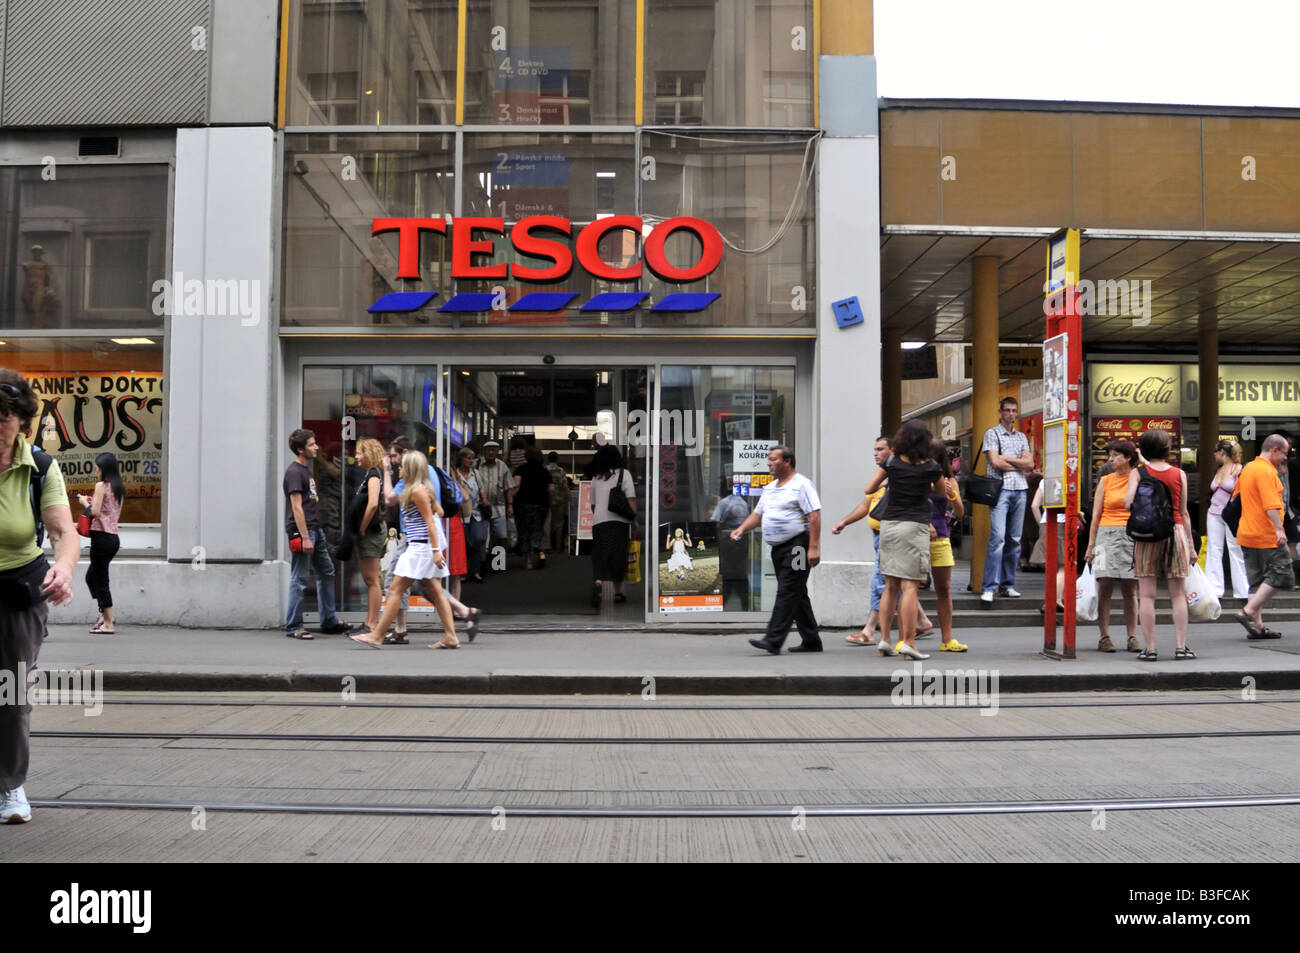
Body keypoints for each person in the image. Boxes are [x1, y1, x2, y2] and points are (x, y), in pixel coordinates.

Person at [1, 369, 79, 823]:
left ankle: (10, 787)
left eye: (3, 418)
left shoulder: (41, 467)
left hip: (17, 592)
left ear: (22, 423)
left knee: (10, 695)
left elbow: (64, 533)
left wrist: (64, 570)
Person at [352, 452, 461, 649]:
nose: (398, 469)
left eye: (401, 466)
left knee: (395, 589)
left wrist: (436, 550)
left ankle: (377, 635)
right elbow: (440, 513)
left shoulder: (417, 492)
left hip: (420, 548)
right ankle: (450, 636)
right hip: (422, 547)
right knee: (435, 591)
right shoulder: (421, 489)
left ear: (409, 469)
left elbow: (430, 522)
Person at [378, 440, 481, 643]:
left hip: (416, 538)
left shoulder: (412, 479)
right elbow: (439, 511)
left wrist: (386, 472)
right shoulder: (429, 472)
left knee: (394, 584)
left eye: (395, 456)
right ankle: (463, 615)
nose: (394, 462)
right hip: (425, 539)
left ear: (406, 455)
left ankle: (393, 631)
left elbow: (389, 498)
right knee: (429, 586)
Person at [832, 435, 931, 647]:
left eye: (880, 449)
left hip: (894, 537)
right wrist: (844, 522)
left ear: (893, 451)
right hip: (882, 537)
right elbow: (866, 505)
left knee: (883, 584)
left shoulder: (900, 476)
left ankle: (871, 631)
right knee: (900, 584)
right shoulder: (884, 478)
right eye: (874, 449)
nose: (875, 453)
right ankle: (921, 622)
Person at [858, 421, 940, 660]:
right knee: (910, 586)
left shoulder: (891, 463)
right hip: (914, 526)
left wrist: (890, 481)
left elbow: (869, 488)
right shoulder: (931, 467)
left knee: (890, 586)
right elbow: (939, 492)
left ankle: (884, 640)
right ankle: (909, 642)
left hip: (889, 526)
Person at [731, 446, 822, 654]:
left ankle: (773, 639)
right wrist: (742, 528)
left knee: (788, 589)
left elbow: (814, 516)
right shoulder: (770, 488)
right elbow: (758, 514)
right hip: (778, 548)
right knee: (797, 593)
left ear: (787, 462)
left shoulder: (802, 485)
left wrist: (813, 547)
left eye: (773, 459)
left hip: (798, 545)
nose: (769, 463)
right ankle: (811, 640)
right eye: (768, 460)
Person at [1126, 429, 1195, 661]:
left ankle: (1151, 648)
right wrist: (1192, 546)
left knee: (1146, 595)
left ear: (1143, 449)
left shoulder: (1138, 473)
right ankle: (1181, 647)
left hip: (1147, 535)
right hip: (1175, 533)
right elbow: (1184, 512)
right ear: (1167, 449)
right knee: (1178, 595)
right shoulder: (1179, 474)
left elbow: (1127, 503)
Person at [284, 428, 350, 639]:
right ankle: (294, 626)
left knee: (327, 572)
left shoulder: (307, 469)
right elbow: (296, 507)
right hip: (304, 531)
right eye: (312, 445)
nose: (317, 447)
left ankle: (329, 620)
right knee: (300, 578)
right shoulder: (294, 472)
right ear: (300, 449)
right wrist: (304, 536)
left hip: (316, 529)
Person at [1232, 433, 1294, 641]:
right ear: (1275, 450)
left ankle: (1257, 627)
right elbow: (1271, 505)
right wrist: (1279, 529)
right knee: (1282, 573)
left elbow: (1236, 499)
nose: (1286, 457)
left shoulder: (1248, 468)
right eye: (1285, 453)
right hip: (1267, 534)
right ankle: (1247, 612)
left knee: (1256, 581)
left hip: (1247, 533)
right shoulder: (1267, 472)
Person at [1084, 440, 1140, 652]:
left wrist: (1139, 457)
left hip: (1131, 534)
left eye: (1116, 455)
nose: (1110, 459)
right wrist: (1091, 545)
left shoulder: (1139, 477)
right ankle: (1104, 636)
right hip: (1106, 534)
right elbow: (1096, 515)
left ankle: (1132, 636)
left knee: (1130, 588)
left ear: (1128, 457)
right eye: (1110, 455)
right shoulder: (1106, 481)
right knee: (1104, 586)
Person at [979, 397, 1034, 605]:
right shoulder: (992, 433)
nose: (1011, 414)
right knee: (998, 538)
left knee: (1014, 539)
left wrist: (1007, 459)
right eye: (1007, 411)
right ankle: (989, 587)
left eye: (1014, 411)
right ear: (1000, 411)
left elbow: (1030, 464)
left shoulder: (1021, 436)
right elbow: (994, 462)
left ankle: (1008, 584)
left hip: (1020, 489)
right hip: (1000, 489)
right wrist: (1018, 463)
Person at [77, 452, 124, 634]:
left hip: (102, 537)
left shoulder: (101, 485)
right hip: (113, 538)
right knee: (92, 577)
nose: (95, 471)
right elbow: (106, 509)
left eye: (97, 468)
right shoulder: (118, 487)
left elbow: (95, 512)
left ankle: (108, 623)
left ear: (103, 469)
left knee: (100, 580)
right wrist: (93, 501)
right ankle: (105, 614)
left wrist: (83, 502)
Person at [926, 439, 967, 651]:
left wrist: (953, 495)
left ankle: (947, 639)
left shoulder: (949, 479)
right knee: (910, 587)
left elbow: (960, 511)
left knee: (944, 588)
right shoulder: (918, 475)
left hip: (941, 536)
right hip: (919, 534)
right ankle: (908, 638)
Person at [588, 444, 637, 608]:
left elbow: (593, 505)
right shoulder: (625, 474)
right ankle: (618, 593)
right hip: (619, 523)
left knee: (600, 555)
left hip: (599, 522)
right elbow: (631, 500)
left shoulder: (596, 477)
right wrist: (634, 519)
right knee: (617, 557)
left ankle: (598, 581)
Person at [1206, 438, 1249, 601]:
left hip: (1231, 514)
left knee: (1235, 549)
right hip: (1214, 512)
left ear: (1221, 452)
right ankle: (1215, 588)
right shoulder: (1219, 469)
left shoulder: (1239, 470)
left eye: (1215, 453)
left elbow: (1240, 494)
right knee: (1214, 548)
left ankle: (1242, 590)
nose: (1214, 456)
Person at [353, 439, 387, 634]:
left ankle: (372, 624)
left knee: (372, 579)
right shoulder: (372, 474)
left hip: (372, 532)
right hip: (372, 531)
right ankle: (369, 621)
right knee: (370, 579)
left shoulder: (373, 475)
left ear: (369, 454)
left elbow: (372, 504)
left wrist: (362, 528)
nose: (356, 457)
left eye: (360, 453)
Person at [712, 478, 751, 610]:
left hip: (728, 541)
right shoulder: (742, 502)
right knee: (740, 572)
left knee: (727, 573)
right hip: (742, 541)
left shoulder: (724, 503)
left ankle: (721, 606)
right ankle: (745, 605)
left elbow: (715, 521)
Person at [477, 441, 514, 572]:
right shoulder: (477, 465)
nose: (491, 452)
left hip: (499, 506)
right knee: (482, 537)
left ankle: (497, 564)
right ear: (484, 451)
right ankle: (482, 563)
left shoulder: (502, 466)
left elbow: (509, 487)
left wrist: (510, 505)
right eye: (488, 450)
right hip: (480, 507)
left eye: (494, 450)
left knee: (500, 535)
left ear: (497, 451)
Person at [513, 447, 552, 569]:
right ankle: (541, 552)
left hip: (523, 504)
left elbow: (516, 485)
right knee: (538, 529)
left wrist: (510, 500)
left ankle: (528, 561)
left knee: (525, 531)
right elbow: (551, 489)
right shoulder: (545, 471)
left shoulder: (521, 469)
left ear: (527, 457)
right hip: (542, 504)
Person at [455, 448, 488, 584]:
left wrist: (484, 500)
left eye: (472, 458)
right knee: (461, 543)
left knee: (478, 539)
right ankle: (462, 573)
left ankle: (475, 571)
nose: (470, 461)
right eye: (467, 458)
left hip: (475, 513)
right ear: (461, 458)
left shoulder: (476, 474)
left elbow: (482, 490)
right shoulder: (455, 474)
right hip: (460, 513)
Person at [545, 451, 569, 552]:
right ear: (557, 459)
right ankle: (559, 547)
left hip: (546, 500)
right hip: (559, 500)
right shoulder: (561, 471)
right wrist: (569, 499)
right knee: (559, 524)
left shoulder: (545, 470)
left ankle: (548, 546)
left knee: (547, 524)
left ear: (548, 459)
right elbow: (565, 486)